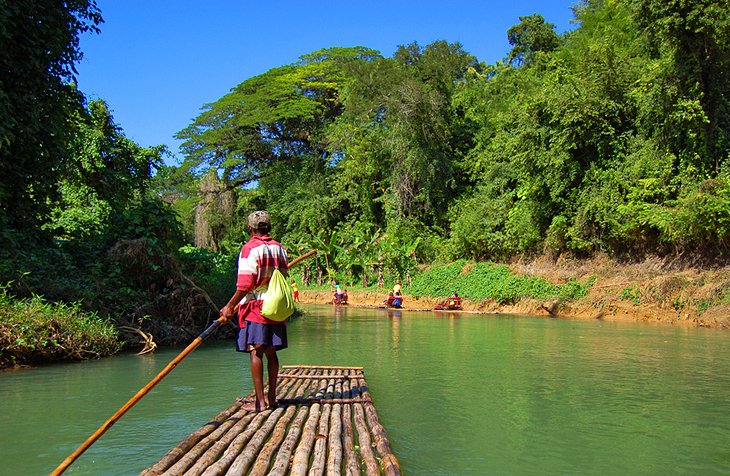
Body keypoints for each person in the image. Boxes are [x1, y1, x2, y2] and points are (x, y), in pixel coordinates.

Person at [220, 210, 289, 413]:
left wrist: (230, 305)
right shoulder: (280, 248)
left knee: (256, 350)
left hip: (257, 305)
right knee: (271, 351)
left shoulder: (249, 249)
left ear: (250, 229)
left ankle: (260, 403)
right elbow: (284, 275)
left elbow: (245, 284)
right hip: (276, 305)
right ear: (268, 228)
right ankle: (273, 398)